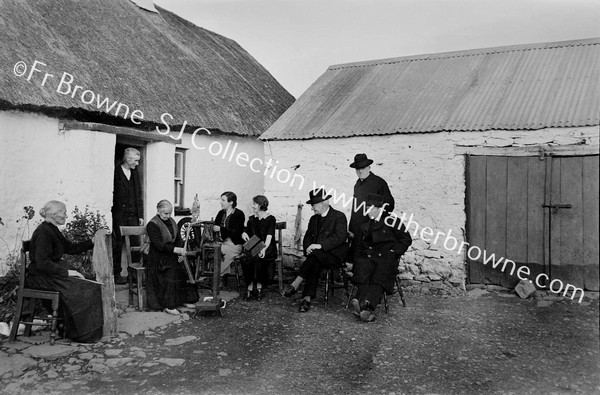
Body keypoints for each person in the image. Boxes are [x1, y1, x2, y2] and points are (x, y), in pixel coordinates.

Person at [26, 200, 103, 343]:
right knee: (84, 288)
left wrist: (92, 241)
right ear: (54, 215)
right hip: (40, 276)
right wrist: (68, 273)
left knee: (86, 282)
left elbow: (70, 248)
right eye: (64, 213)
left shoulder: (52, 229)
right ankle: (81, 333)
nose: (66, 216)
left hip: (48, 273)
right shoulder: (43, 232)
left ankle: (70, 329)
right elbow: (43, 264)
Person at [282, 189, 348, 312]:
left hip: (334, 255)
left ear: (323, 203)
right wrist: (308, 248)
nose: (312, 208)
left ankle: (296, 284)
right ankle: (306, 299)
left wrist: (320, 246)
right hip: (317, 257)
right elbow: (307, 236)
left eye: (313, 204)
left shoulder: (339, 217)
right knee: (315, 261)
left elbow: (340, 237)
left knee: (315, 258)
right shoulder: (314, 219)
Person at [349, 193, 412, 322]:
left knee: (379, 275)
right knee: (363, 268)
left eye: (370, 208)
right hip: (370, 256)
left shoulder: (392, 221)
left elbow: (406, 239)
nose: (367, 212)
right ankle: (365, 307)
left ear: (379, 208)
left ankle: (364, 303)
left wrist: (394, 252)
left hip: (387, 257)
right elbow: (360, 246)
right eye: (365, 208)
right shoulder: (365, 225)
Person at [146, 200, 199, 315]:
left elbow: (178, 239)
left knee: (185, 265)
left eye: (170, 213)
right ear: (158, 211)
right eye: (165, 213)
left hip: (171, 253)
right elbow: (158, 244)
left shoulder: (172, 222)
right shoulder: (152, 224)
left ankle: (184, 299)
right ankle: (168, 305)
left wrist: (180, 252)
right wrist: (175, 250)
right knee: (172, 268)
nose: (168, 216)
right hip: (157, 257)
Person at [348, 153, 394, 259]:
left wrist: (377, 220)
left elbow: (389, 205)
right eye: (357, 169)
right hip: (358, 228)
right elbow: (355, 208)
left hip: (372, 229)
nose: (360, 171)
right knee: (357, 258)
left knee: (371, 258)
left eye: (363, 168)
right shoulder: (357, 184)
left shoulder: (379, 183)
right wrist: (351, 228)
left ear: (369, 167)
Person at [112, 147, 144, 285]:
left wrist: (140, 214)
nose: (137, 164)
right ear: (128, 159)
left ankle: (134, 276)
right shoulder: (116, 172)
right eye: (136, 161)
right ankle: (117, 274)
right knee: (117, 245)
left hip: (133, 216)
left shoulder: (135, 173)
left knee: (135, 245)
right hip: (119, 215)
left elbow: (138, 194)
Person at [241, 195, 277, 301]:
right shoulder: (252, 219)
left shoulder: (271, 219)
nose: (252, 206)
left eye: (254, 204)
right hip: (253, 243)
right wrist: (244, 233)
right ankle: (250, 286)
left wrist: (264, 248)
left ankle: (258, 287)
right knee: (246, 258)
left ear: (261, 205)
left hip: (266, 245)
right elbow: (246, 231)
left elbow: (269, 236)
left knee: (256, 258)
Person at [213, 191, 245, 276]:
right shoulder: (221, 213)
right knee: (212, 250)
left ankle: (216, 277)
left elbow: (236, 233)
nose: (221, 202)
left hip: (234, 244)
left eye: (223, 200)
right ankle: (218, 278)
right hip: (222, 242)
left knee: (219, 252)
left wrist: (221, 229)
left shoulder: (239, 214)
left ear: (231, 202)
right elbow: (215, 227)